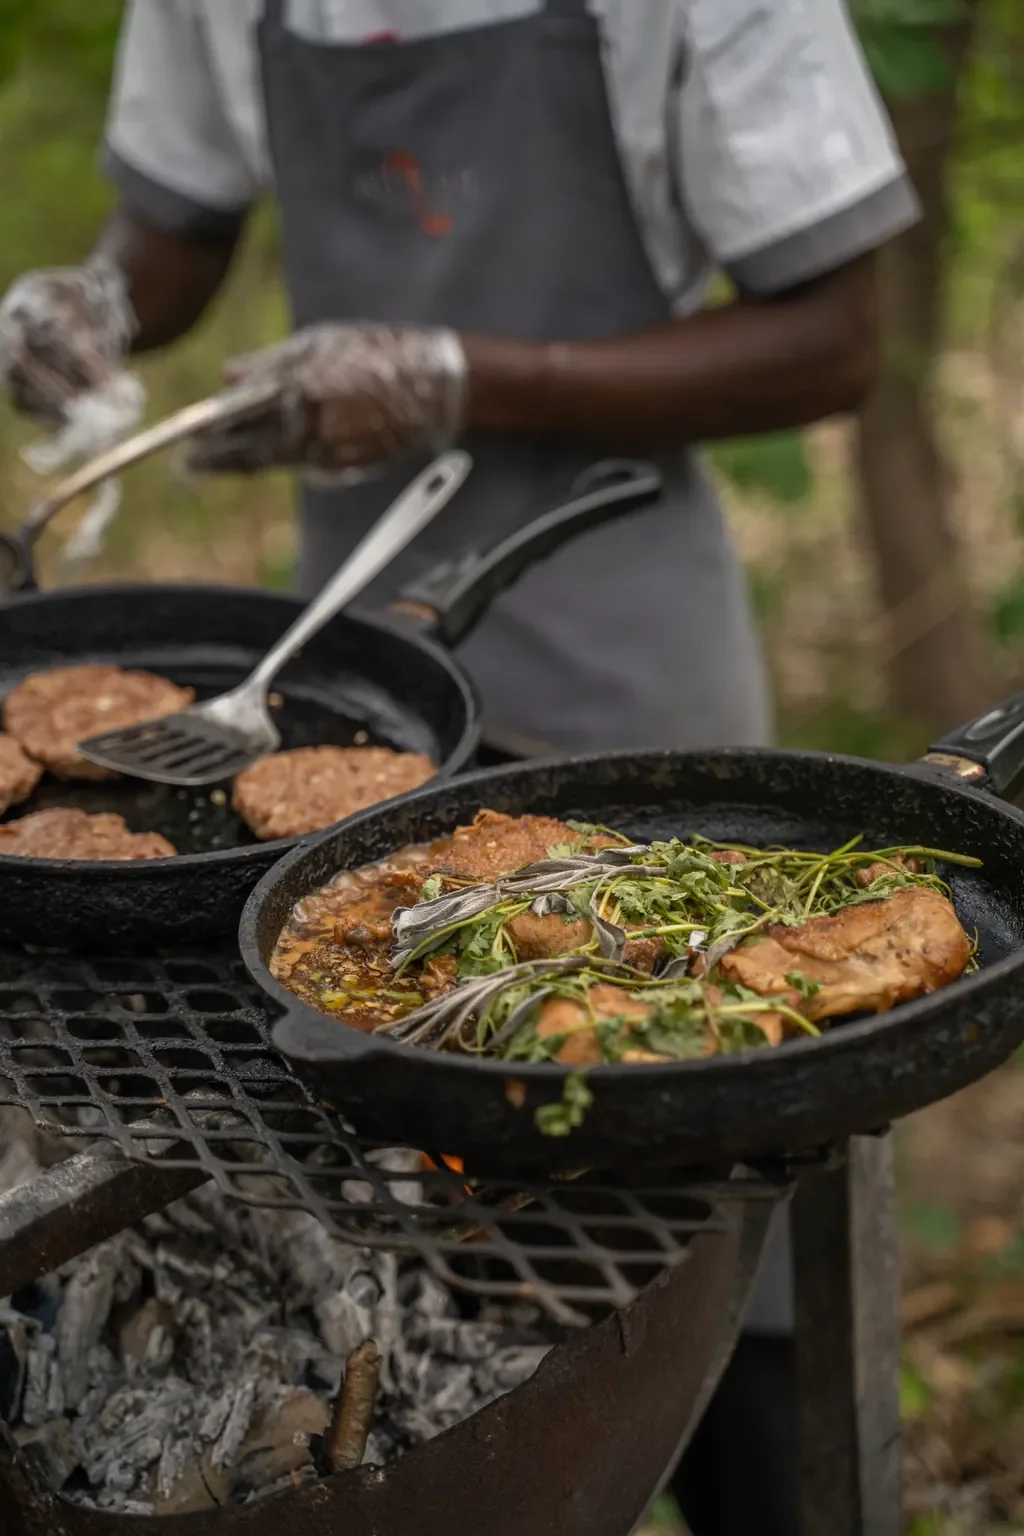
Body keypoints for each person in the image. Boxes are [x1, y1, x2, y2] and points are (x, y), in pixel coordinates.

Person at [0, 3, 918, 1529]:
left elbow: (837, 333)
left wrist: (457, 374)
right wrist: (96, 301)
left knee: (704, 1134)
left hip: (623, 659)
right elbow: (180, 218)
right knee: (391, 1175)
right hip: (356, 640)